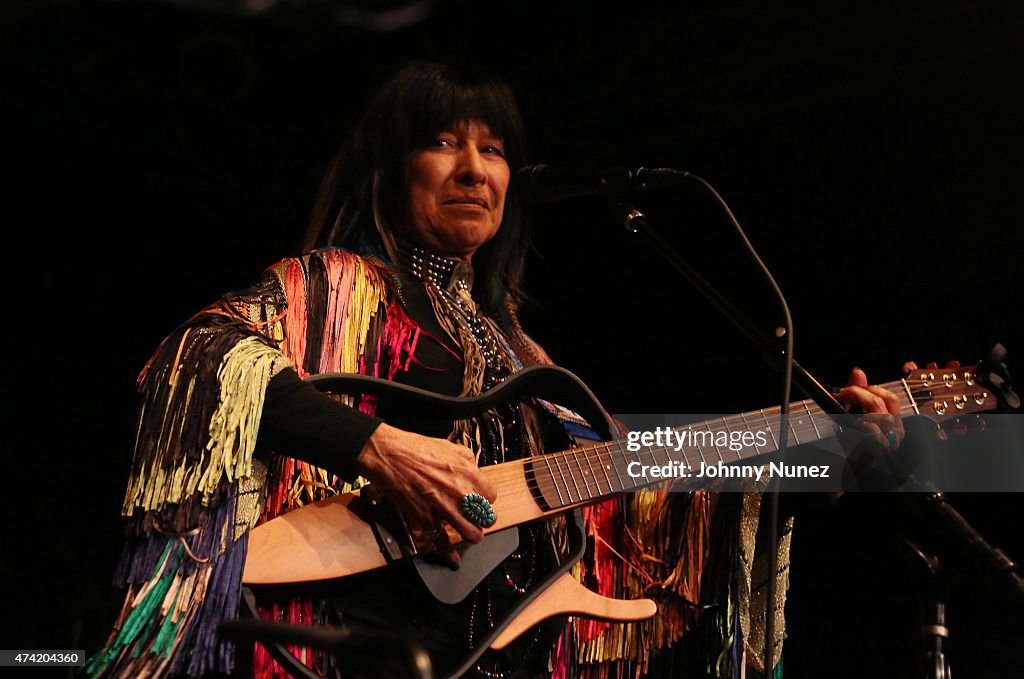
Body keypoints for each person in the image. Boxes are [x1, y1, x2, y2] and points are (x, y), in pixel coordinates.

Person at [86, 61, 904, 678]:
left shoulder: (528, 361)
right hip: (324, 645)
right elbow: (199, 357)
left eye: (494, 149)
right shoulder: (329, 288)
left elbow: (641, 524)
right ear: (389, 168)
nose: (476, 168)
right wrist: (375, 446)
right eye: (443, 142)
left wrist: (823, 453)